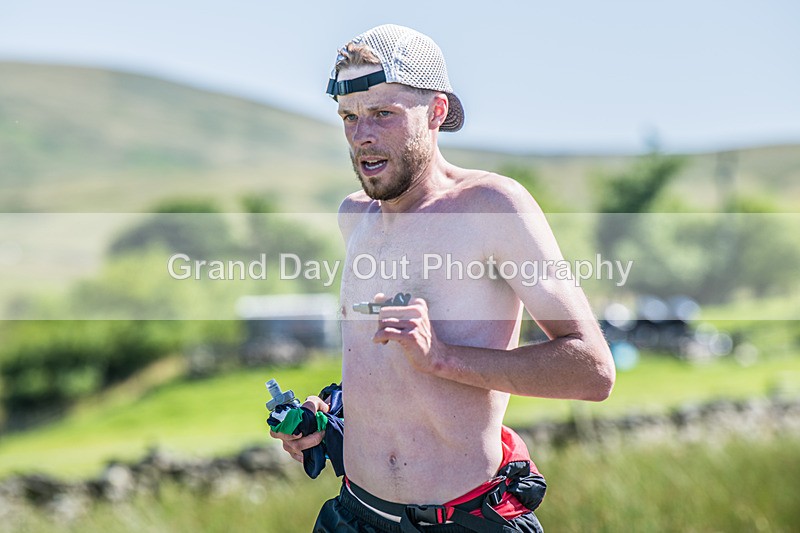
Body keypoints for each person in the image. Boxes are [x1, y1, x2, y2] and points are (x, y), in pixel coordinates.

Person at [270, 24, 616, 532]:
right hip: (353, 515)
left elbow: (592, 371)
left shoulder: (492, 206)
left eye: (383, 113)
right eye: (349, 116)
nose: (362, 135)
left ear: (435, 112)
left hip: (461, 522)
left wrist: (443, 358)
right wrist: (332, 418)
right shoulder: (354, 217)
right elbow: (389, 370)